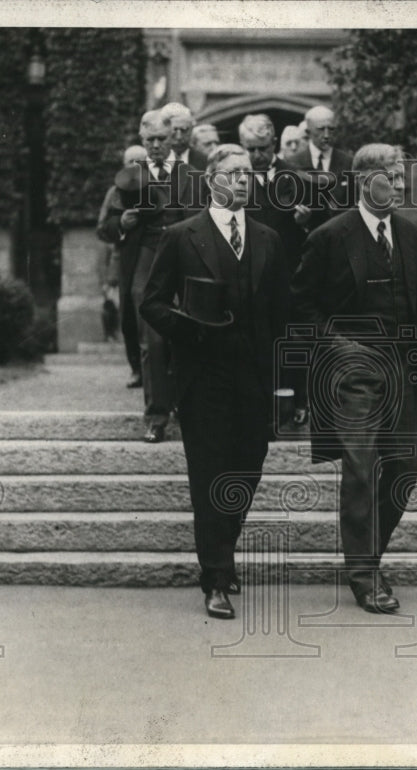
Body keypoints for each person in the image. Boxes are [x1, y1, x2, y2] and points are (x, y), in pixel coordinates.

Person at [290, 143, 417, 613]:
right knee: (361, 470)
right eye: (393, 178)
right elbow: (302, 306)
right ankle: (365, 577)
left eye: (404, 178)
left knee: (405, 469)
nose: (403, 185)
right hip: (351, 374)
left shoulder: (409, 234)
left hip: (404, 369)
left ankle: (370, 558)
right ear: (366, 182)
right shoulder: (328, 236)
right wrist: (338, 345)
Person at [140, 144, 290, 620]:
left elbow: (282, 314)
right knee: (209, 477)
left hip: (255, 374)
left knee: (247, 469)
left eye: (248, 173)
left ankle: (223, 549)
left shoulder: (268, 238)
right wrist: (192, 330)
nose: (244, 180)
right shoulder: (183, 236)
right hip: (203, 375)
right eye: (234, 173)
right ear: (212, 181)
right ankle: (216, 577)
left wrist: (288, 381)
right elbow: (152, 302)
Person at [100, 111, 196, 442]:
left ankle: (188, 407)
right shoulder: (129, 177)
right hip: (146, 257)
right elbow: (107, 225)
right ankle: (156, 416)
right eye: (149, 140)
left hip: (184, 259)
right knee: (151, 338)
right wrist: (122, 224)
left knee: (186, 333)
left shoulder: (190, 175)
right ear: (142, 142)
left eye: (161, 139)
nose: (155, 145)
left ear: (173, 139)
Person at [238, 113, 311, 426]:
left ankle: (299, 401)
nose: (256, 156)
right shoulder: (235, 178)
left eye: (263, 149)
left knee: (291, 339)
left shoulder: (296, 177)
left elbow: (321, 230)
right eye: (250, 149)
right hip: (246, 273)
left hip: (287, 274)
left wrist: (305, 224)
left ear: (274, 144)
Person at [97, 144, 147, 387]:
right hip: (125, 258)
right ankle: (136, 367)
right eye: (131, 162)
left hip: (152, 257)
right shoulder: (114, 193)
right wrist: (121, 225)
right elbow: (102, 228)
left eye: (141, 161)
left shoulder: (157, 188)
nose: (135, 166)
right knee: (127, 316)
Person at [288, 105, 355, 232]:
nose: (326, 135)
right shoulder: (292, 163)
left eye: (331, 129)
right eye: (320, 129)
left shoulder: (348, 163)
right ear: (308, 132)